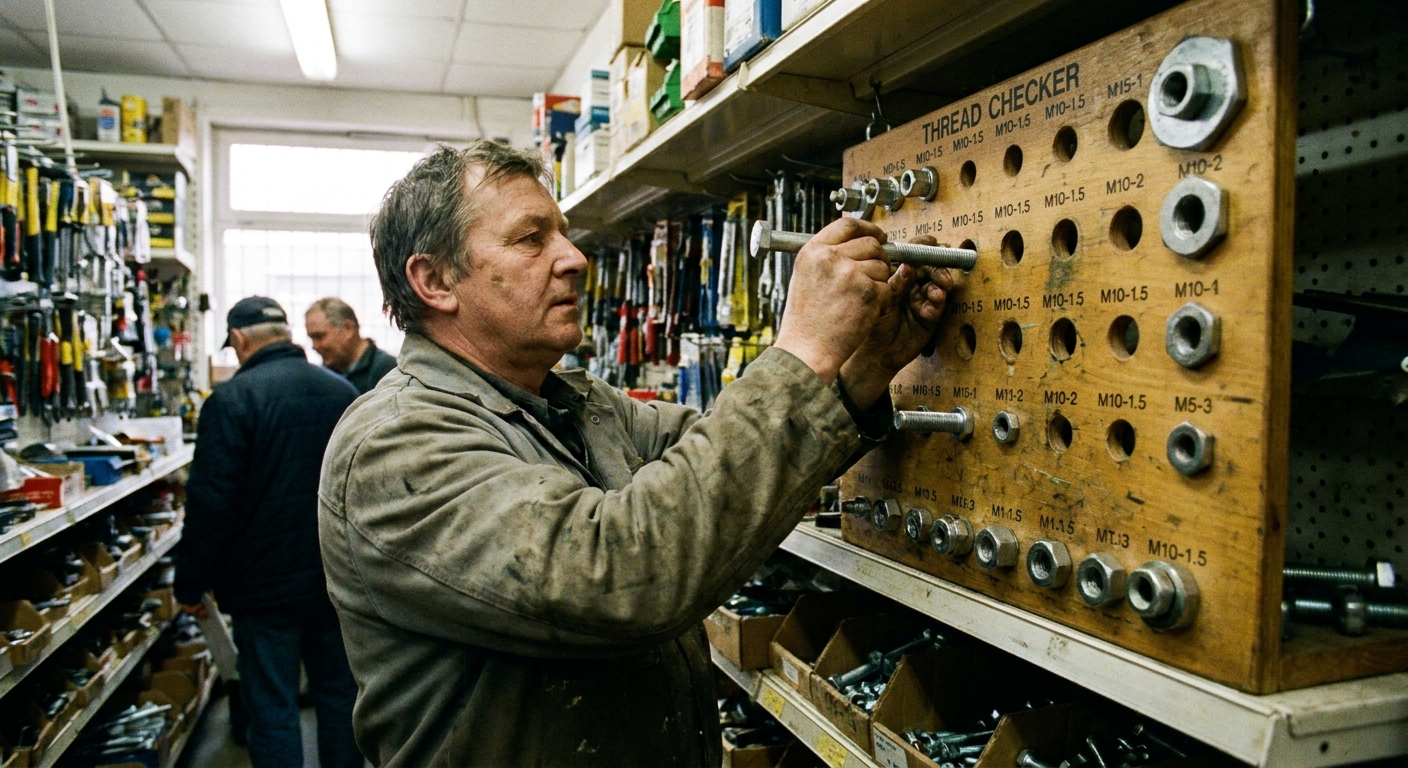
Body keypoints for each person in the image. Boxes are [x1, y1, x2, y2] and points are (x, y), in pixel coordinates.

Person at [318, 142, 952, 767]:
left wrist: (862, 371)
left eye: (562, 234)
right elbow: (620, 575)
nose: (572, 258)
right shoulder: (394, 445)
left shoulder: (577, 403)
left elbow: (721, 474)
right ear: (434, 281)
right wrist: (802, 349)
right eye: (530, 239)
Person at [176, 296, 363, 768]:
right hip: (335, 579)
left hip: (263, 591)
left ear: (239, 340)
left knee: (272, 707)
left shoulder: (231, 401)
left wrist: (191, 582)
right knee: (341, 697)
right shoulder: (342, 393)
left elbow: (211, 503)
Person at [305, 297, 398, 394]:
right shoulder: (322, 376)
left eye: (319, 336)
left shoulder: (387, 370)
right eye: (311, 338)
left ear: (348, 328)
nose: (314, 346)